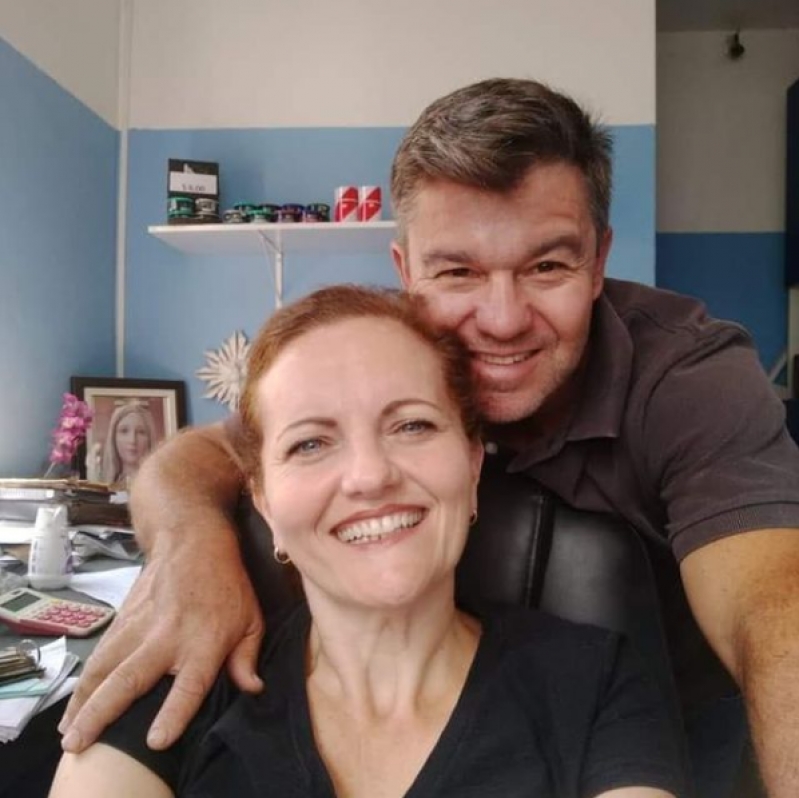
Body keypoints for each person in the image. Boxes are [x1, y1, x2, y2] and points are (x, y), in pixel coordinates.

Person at [58, 78, 799, 797]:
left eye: (547, 266)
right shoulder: (387, 355)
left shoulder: (688, 378)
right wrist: (189, 545)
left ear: (599, 262)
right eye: (458, 272)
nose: (502, 320)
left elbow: (775, 605)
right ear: (406, 270)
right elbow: (210, 454)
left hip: (657, 707)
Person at [50, 285, 682, 798]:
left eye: (412, 425)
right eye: (310, 443)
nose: (370, 476)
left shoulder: (597, 685)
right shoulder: (184, 676)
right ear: (264, 501)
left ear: (472, 463)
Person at [100, 402, 157, 485]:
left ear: (149, 438)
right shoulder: (102, 484)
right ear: (113, 437)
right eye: (124, 431)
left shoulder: (159, 485)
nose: (132, 440)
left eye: (140, 432)